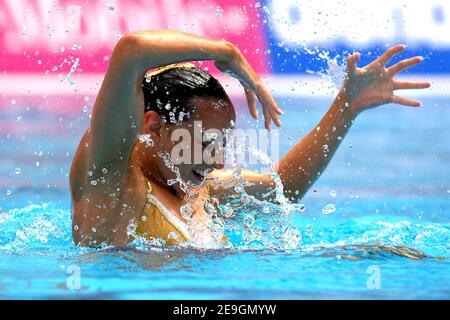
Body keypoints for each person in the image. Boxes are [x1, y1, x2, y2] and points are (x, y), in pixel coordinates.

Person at [70, 30, 430, 247]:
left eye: (221, 145)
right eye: (206, 143)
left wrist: (346, 106)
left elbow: (282, 188)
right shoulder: (111, 180)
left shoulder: (199, 191)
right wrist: (225, 52)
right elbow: (131, 50)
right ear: (154, 125)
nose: (217, 161)